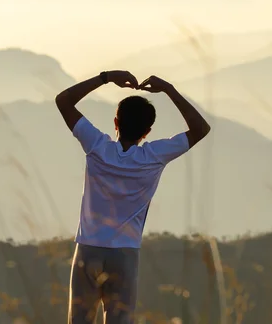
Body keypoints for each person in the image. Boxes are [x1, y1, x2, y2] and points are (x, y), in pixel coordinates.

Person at [55, 70, 211, 324]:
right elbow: (200, 128)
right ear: (147, 131)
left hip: (88, 248)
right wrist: (169, 89)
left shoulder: (97, 146)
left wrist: (105, 78)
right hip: (125, 254)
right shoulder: (154, 156)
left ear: (115, 122)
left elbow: (63, 100)